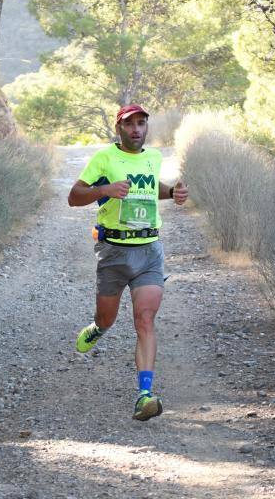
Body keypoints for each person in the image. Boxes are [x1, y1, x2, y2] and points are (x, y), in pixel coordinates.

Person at [68, 104, 188, 421]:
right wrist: (104, 189)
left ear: (147, 127)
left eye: (141, 123)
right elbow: (74, 195)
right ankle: (98, 328)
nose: (136, 129)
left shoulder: (153, 158)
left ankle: (144, 395)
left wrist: (171, 192)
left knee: (145, 320)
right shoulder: (104, 158)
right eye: (130, 124)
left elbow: (150, 190)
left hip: (149, 250)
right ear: (119, 128)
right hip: (113, 253)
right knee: (107, 318)